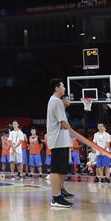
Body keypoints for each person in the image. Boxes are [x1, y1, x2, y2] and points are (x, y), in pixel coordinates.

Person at [46, 79, 74, 209]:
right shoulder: (56, 101)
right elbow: (63, 123)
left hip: (62, 140)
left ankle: (59, 194)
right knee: (56, 169)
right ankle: (56, 197)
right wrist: (74, 132)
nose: (64, 88)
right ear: (56, 88)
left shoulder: (56, 101)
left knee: (62, 170)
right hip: (57, 141)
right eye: (62, 86)